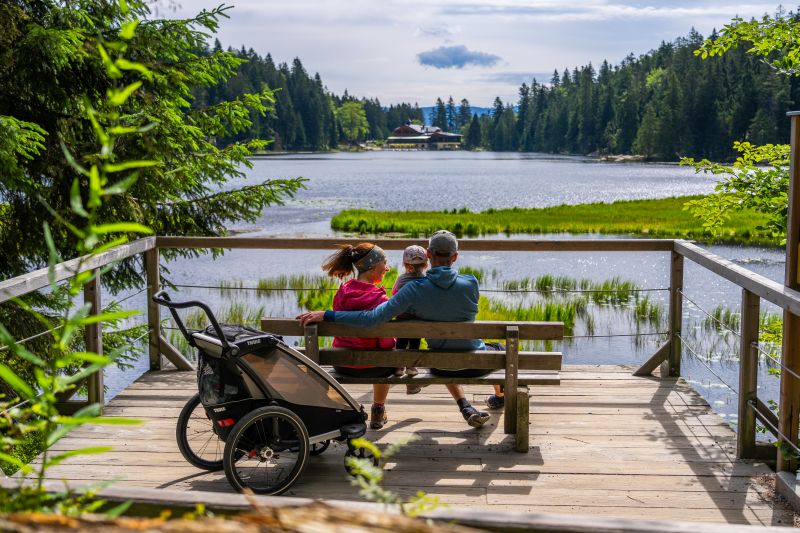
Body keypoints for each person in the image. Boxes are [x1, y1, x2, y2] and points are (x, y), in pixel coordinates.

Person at [298, 230, 497, 428]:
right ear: (455, 257)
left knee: (448, 353)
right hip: (476, 362)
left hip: (439, 365)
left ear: (428, 254)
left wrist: (328, 314)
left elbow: (373, 318)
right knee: (495, 348)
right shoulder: (471, 283)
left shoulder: (413, 289)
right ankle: (499, 397)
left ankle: (474, 403)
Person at [321, 242, 395, 430]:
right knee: (385, 357)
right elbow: (386, 343)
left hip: (342, 363)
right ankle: (378, 409)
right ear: (372, 266)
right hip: (374, 368)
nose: (387, 268)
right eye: (384, 263)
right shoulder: (380, 298)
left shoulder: (342, 292)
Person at [392, 244, 428, 395]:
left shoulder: (401, 280)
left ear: (405, 264)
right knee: (414, 342)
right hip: (418, 321)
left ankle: (399, 367)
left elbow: (394, 295)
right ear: (426, 264)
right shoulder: (426, 280)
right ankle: (412, 367)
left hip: (401, 319)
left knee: (401, 342)